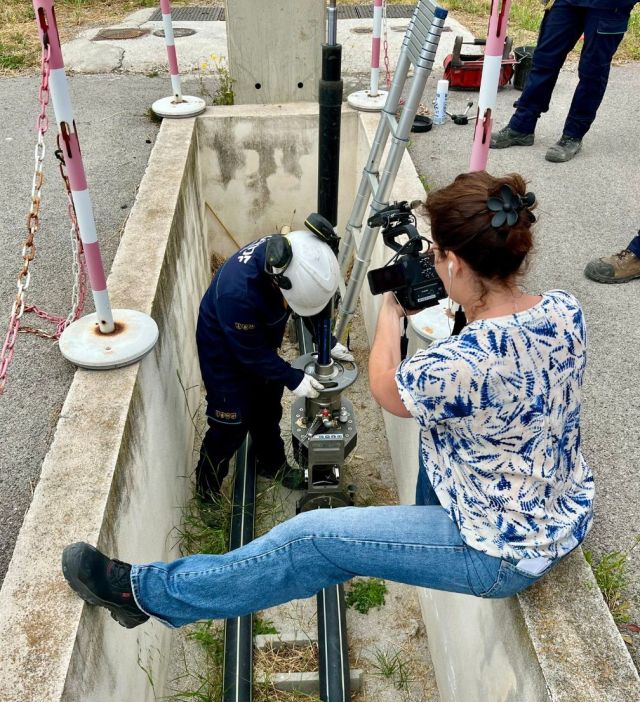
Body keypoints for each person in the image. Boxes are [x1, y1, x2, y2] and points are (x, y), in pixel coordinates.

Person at [61, 171, 595, 630]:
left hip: (500, 550)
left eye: (434, 255)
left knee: (314, 538)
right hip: (559, 507)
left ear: (454, 263)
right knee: (436, 439)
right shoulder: (563, 310)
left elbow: (387, 388)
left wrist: (391, 314)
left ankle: (142, 594)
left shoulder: (457, 365)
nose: (430, 264)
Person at [195, 220, 353, 501]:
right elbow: (251, 354)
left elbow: (311, 305)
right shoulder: (238, 295)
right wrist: (295, 378)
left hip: (259, 338)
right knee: (230, 424)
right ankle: (207, 492)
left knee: (268, 405)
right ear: (277, 282)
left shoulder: (296, 254)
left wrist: (327, 342)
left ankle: (271, 464)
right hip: (225, 352)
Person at [491, 0, 637, 162]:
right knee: (544, 61)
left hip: (609, 7)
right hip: (567, 2)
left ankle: (572, 136)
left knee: (592, 72)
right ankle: (521, 126)